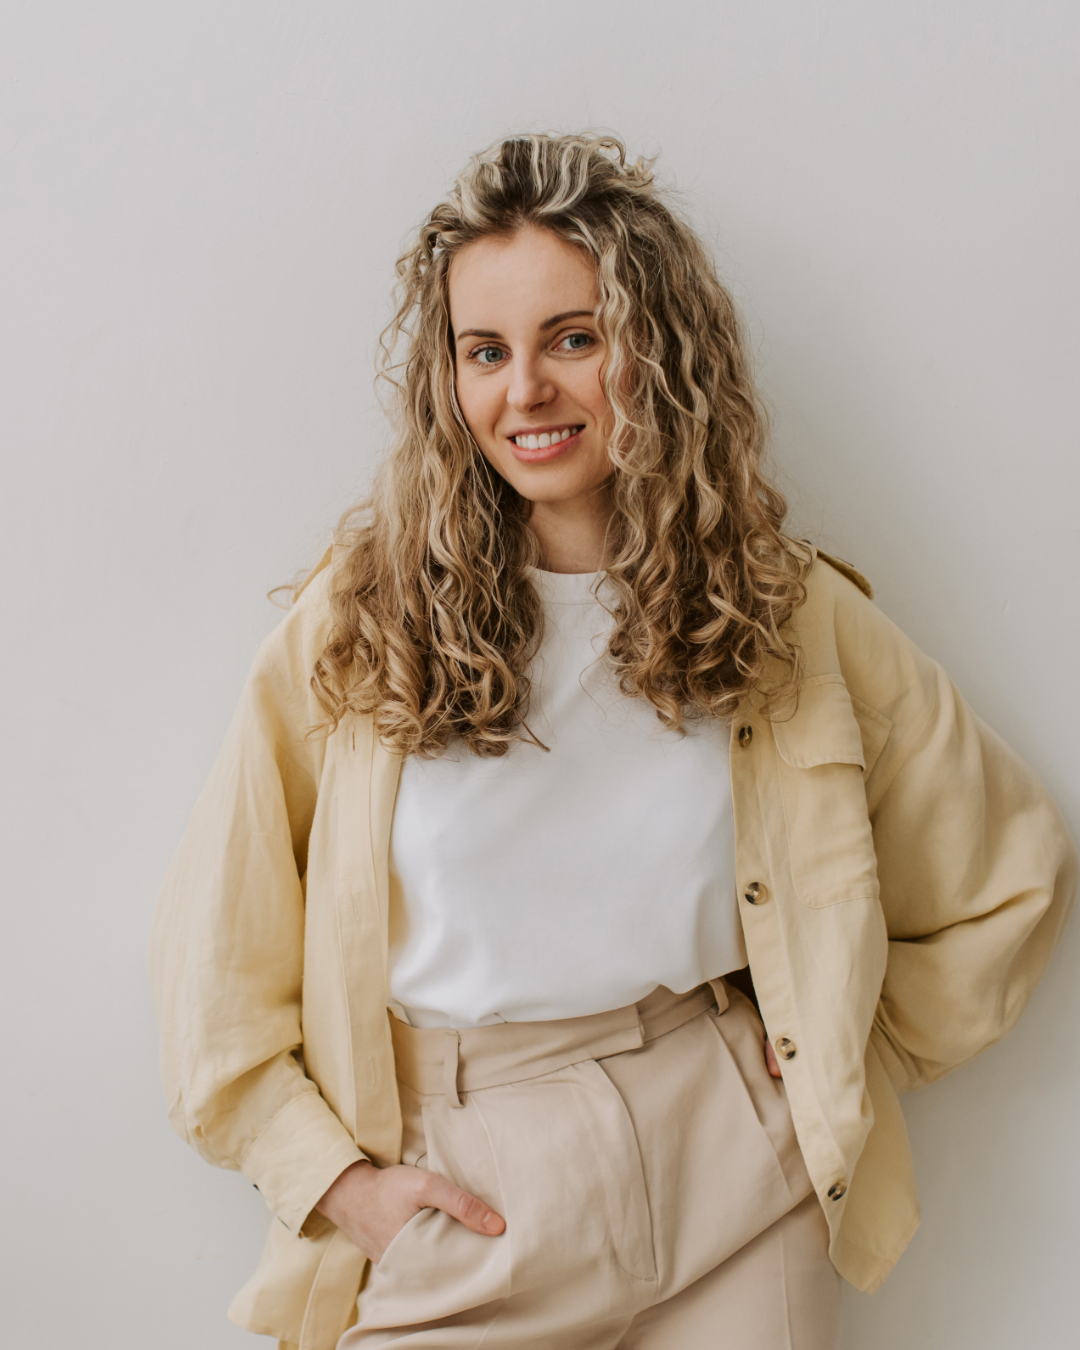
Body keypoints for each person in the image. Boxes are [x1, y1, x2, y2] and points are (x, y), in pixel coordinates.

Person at [149, 133, 1077, 1350]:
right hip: (464, 1188)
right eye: (486, 352)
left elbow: (1006, 867)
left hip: (736, 1169)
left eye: (573, 338)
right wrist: (335, 1183)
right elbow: (214, 968)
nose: (524, 390)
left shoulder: (784, 611)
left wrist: (825, 1068)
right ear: (450, 380)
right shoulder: (362, 623)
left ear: (660, 353)